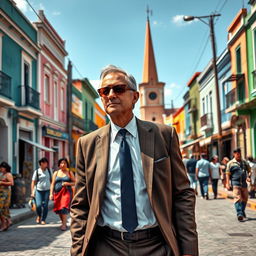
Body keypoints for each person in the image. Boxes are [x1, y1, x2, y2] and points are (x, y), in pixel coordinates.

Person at [70, 65, 198, 256]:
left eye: (119, 89)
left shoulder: (163, 135)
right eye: (105, 91)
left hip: (156, 244)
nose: (111, 95)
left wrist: (188, 249)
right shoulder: (86, 144)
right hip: (107, 246)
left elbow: (182, 194)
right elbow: (80, 206)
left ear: (135, 97)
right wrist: (78, 251)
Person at [50, 157, 75, 231]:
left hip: (66, 192)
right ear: (59, 164)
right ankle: (63, 222)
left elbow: (75, 182)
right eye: (61, 163)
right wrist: (51, 194)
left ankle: (64, 224)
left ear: (67, 164)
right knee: (59, 209)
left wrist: (68, 183)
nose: (63, 164)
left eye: (64, 163)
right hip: (57, 193)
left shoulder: (70, 172)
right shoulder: (56, 173)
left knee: (64, 207)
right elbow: (52, 184)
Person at [226, 148, 251, 221]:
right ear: (234, 154)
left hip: (244, 184)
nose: (239, 155)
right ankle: (239, 213)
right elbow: (227, 174)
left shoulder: (244, 162)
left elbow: (249, 170)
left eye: (239, 154)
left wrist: (248, 177)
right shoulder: (230, 163)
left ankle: (242, 211)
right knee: (238, 198)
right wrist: (227, 183)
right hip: (235, 183)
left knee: (245, 198)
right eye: (237, 154)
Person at [31, 157, 52, 225]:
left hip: (47, 190)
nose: (45, 164)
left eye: (46, 163)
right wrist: (32, 192)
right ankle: (39, 215)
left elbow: (52, 181)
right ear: (40, 164)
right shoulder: (37, 171)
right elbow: (33, 182)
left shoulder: (49, 170)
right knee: (38, 205)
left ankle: (43, 219)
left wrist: (52, 192)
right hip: (38, 190)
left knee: (45, 205)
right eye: (43, 163)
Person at [0, 161, 14, 231]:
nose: (1, 169)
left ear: (5, 168)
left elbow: (11, 183)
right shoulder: (2, 174)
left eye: (2, 168)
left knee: (2, 209)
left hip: (5, 194)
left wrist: (2, 182)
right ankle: (7, 222)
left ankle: (5, 223)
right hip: (1, 193)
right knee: (3, 209)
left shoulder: (8, 174)